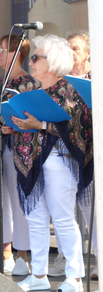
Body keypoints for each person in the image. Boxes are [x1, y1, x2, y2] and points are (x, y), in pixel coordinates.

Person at [8, 34, 92, 292]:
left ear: (53, 62)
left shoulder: (69, 91)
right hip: (34, 162)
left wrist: (40, 125)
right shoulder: (35, 92)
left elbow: (79, 129)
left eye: (36, 58)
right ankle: (40, 275)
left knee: (63, 218)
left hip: (60, 161)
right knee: (36, 219)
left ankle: (74, 278)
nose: (31, 63)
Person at [47, 29, 97, 280]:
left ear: (89, 53)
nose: (71, 52)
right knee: (64, 214)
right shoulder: (60, 83)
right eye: (68, 48)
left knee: (92, 212)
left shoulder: (96, 80)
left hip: (92, 154)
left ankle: (99, 261)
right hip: (65, 154)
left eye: (76, 48)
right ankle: (65, 261)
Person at [0, 34, 34, 275]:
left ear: (18, 53)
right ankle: (5, 254)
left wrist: (14, 126)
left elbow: (34, 117)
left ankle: (23, 255)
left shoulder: (30, 83)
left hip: (19, 148)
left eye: (4, 49)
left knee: (18, 200)